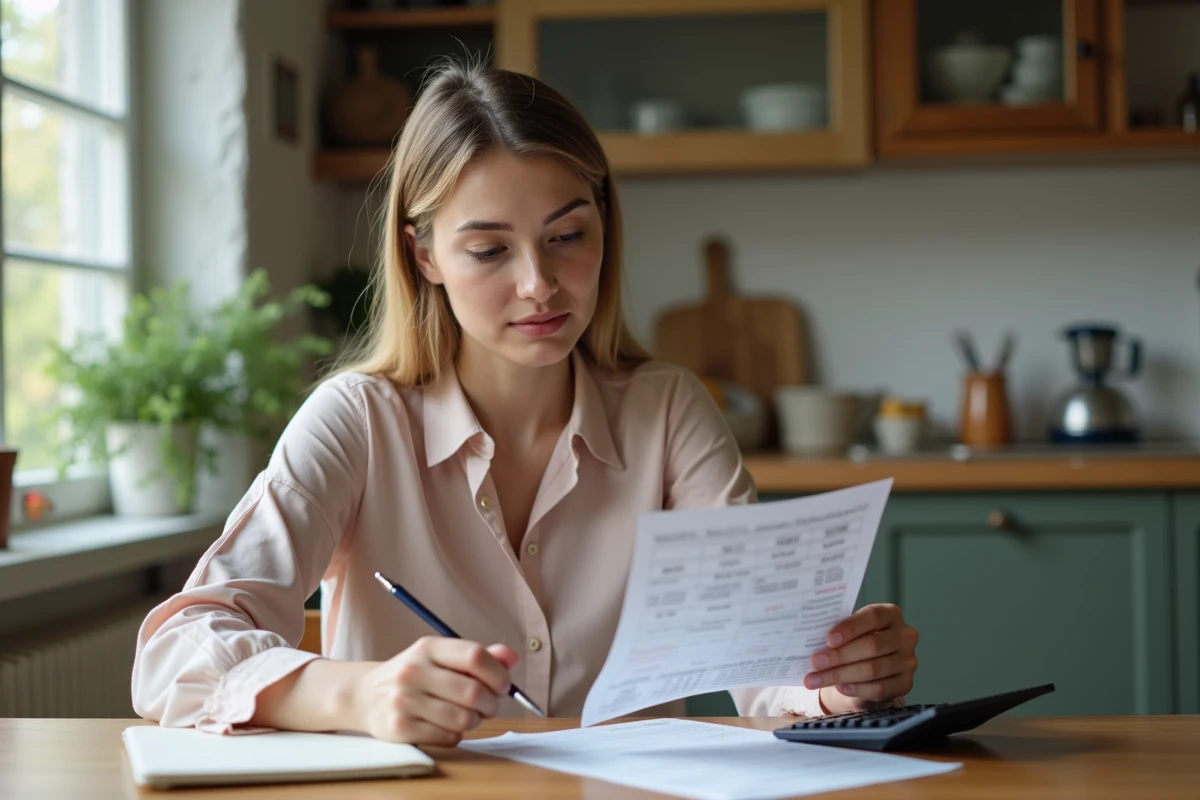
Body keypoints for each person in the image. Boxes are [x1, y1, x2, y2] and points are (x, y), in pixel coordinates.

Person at [131, 61, 919, 746]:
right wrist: (357, 695)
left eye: (567, 236)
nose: (539, 284)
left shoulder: (670, 410)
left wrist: (836, 684)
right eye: (488, 250)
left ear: (604, 226)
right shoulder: (359, 421)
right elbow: (175, 654)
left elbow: (766, 666)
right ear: (424, 253)